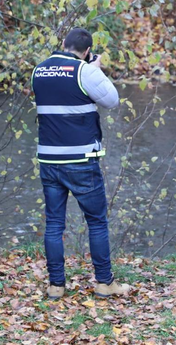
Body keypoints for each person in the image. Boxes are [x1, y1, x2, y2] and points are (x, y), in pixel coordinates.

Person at [31, 27, 130, 300]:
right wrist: (95, 69)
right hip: (81, 160)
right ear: (87, 51)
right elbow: (112, 100)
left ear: (63, 43)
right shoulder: (84, 71)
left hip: (49, 160)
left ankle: (56, 286)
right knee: (96, 222)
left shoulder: (38, 70)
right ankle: (104, 283)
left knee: (54, 224)